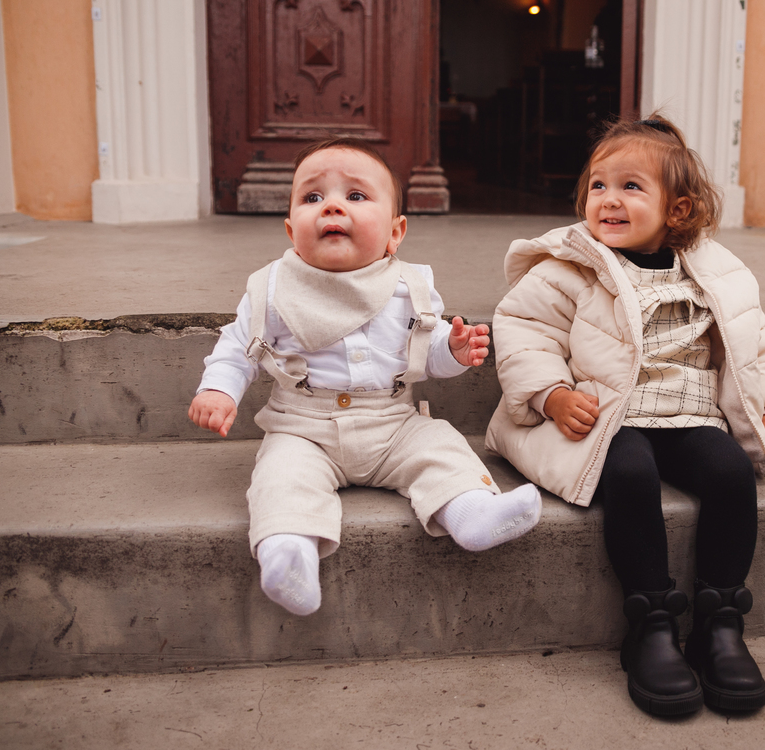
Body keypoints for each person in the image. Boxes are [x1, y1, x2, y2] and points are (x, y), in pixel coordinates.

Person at [486, 115, 765, 716]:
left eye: (631, 187)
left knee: (732, 476)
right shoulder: (568, 268)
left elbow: (750, 339)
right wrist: (551, 394)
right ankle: (651, 622)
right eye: (598, 185)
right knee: (629, 477)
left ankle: (720, 622)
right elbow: (525, 332)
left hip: (689, 411)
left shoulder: (715, 273)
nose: (608, 199)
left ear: (677, 211)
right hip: (609, 414)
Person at [189, 137, 541, 617]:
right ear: (292, 230)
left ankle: (472, 511)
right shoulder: (271, 290)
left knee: (438, 445)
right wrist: (219, 389)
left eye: (356, 196)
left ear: (395, 232)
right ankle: (288, 552)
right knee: (280, 475)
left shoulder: (409, 289)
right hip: (303, 427)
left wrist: (453, 351)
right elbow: (238, 346)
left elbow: (427, 354)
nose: (332, 205)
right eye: (313, 197)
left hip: (392, 422)